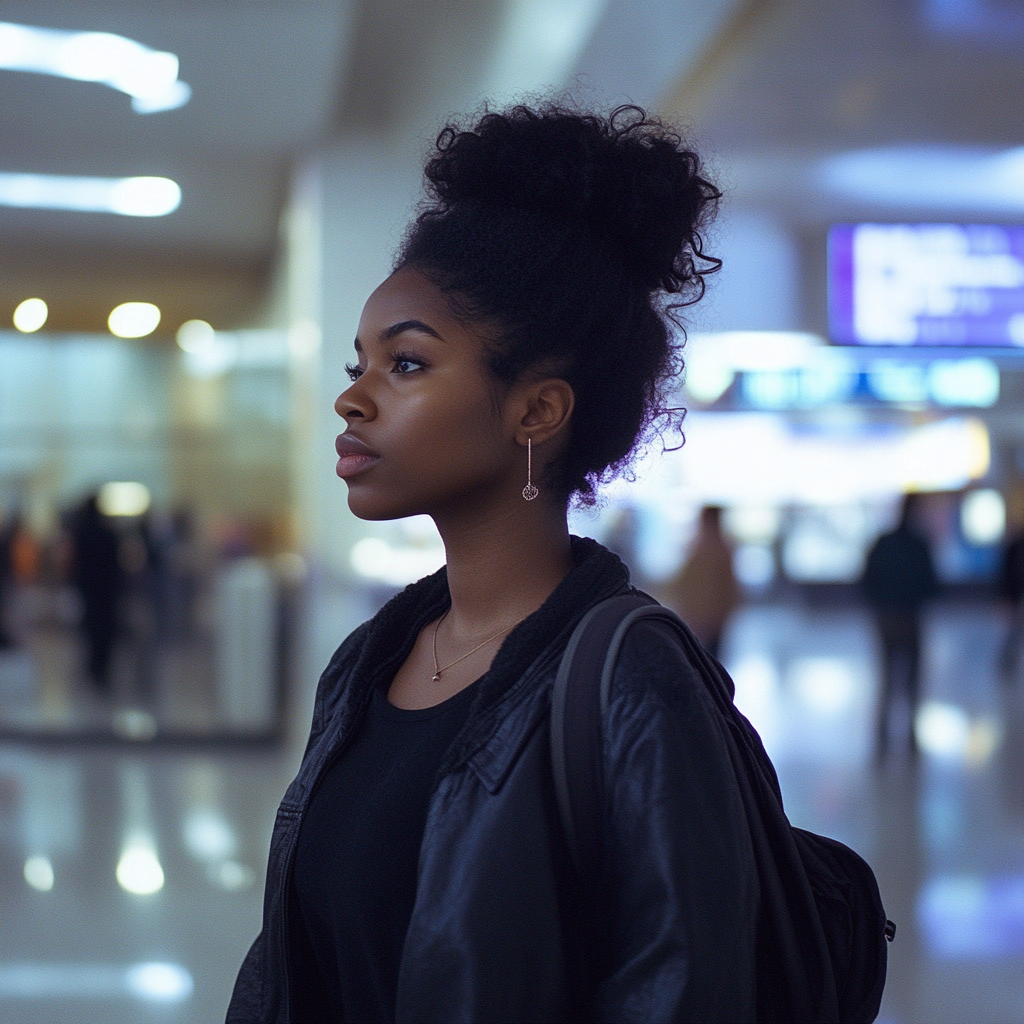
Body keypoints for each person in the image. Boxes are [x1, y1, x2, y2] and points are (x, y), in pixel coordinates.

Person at [229, 104, 759, 1024]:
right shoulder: (370, 661)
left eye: (404, 364)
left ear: (537, 412)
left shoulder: (633, 686)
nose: (351, 400)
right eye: (360, 362)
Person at [861, 493, 940, 758]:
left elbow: (867, 580)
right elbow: (931, 583)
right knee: (911, 678)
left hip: (886, 617)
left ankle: (883, 737)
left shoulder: (884, 542)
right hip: (910, 616)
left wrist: (880, 602)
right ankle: (911, 738)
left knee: (887, 677)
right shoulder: (919, 544)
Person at [663, 505, 740, 659]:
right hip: (698, 617)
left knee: (708, 661)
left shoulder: (716, 550)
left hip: (709, 619)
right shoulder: (703, 548)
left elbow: (727, 589)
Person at [70, 493, 125, 692]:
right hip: (106, 591)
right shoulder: (107, 532)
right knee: (104, 632)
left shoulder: (81, 532)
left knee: (92, 630)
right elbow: (116, 564)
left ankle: (94, 669)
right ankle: (101, 670)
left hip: (89, 590)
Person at [998, 525, 1024, 683]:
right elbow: (1009, 573)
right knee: (1014, 631)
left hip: (1015, 593)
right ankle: (1007, 661)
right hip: (1017, 594)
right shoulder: (1016, 546)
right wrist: (1007, 597)